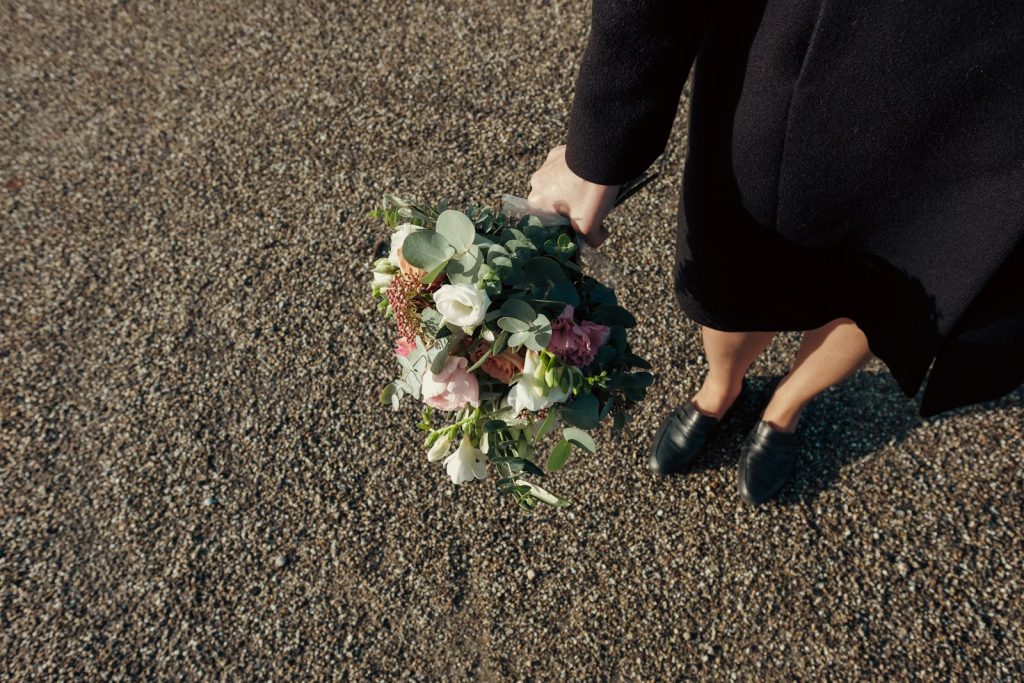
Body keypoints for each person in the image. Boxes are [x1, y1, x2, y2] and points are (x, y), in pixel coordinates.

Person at [527, 1, 1024, 504]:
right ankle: (721, 389)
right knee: (741, 280)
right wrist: (599, 148)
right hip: (815, 66)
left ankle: (785, 407)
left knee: (892, 292)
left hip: (996, 120)